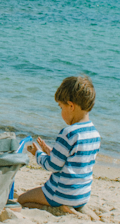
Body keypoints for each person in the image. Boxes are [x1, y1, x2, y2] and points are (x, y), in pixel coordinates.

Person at [17, 75, 101, 213]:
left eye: (61, 107)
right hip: (82, 195)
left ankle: (58, 208)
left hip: (61, 193)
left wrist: (37, 153)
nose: (61, 112)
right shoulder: (95, 134)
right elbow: (73, 161)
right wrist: (50, 151)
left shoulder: (68, 133)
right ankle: (73, 208)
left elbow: (53, 165)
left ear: (71, 106)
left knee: (22, 200)